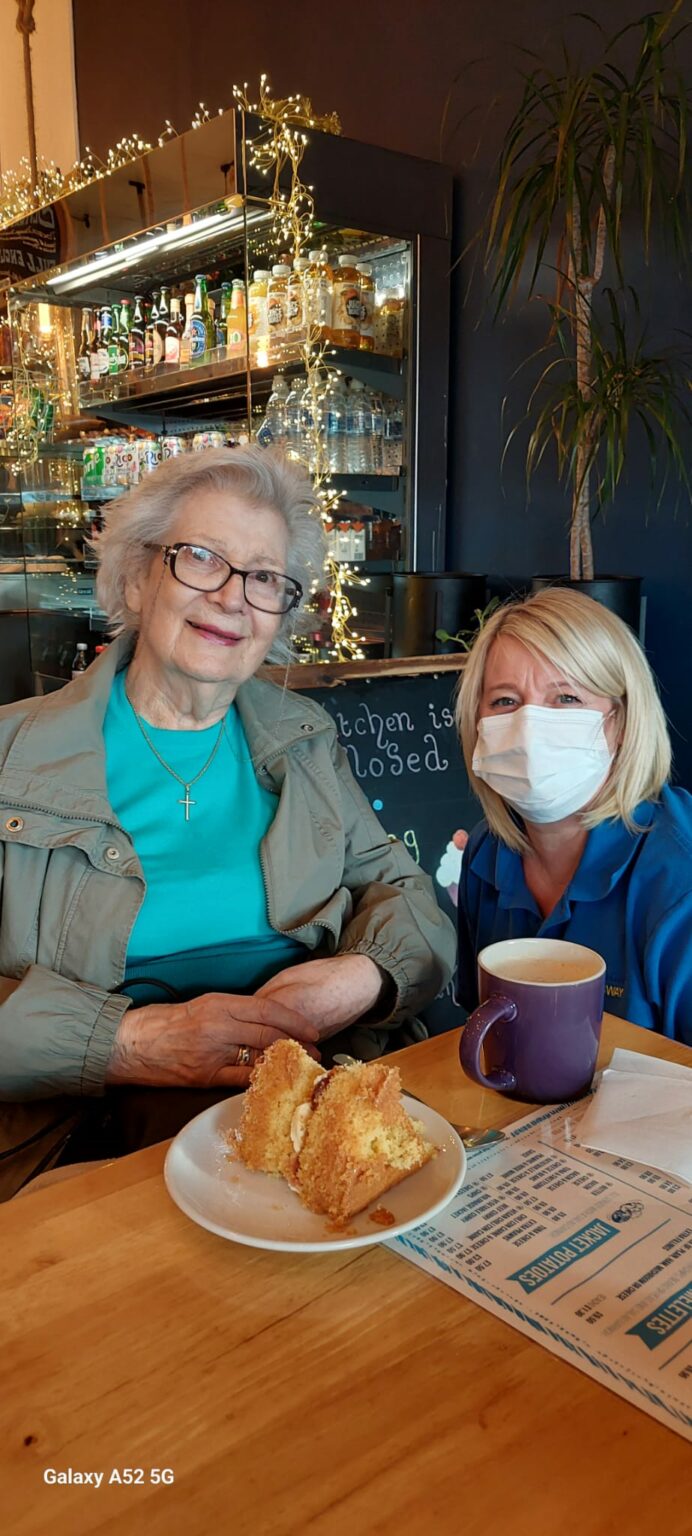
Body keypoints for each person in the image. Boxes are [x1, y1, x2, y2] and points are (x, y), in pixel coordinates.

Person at [0, 447, 455, 1193]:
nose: (233, 597)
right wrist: (130, 1043)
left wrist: (363, 976)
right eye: (203, 558)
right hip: (85, 1139)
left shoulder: (303, 739)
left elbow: (407, 898)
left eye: (264, 577)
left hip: (303, 1108)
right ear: (138, 577)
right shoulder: (12, 754)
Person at [454, 586, 692, 1045]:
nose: (529, 726)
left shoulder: (679, 880)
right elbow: (482, 1027)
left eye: (565, 698)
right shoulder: (486, 854)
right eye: (504, 701)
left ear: (621, 722)